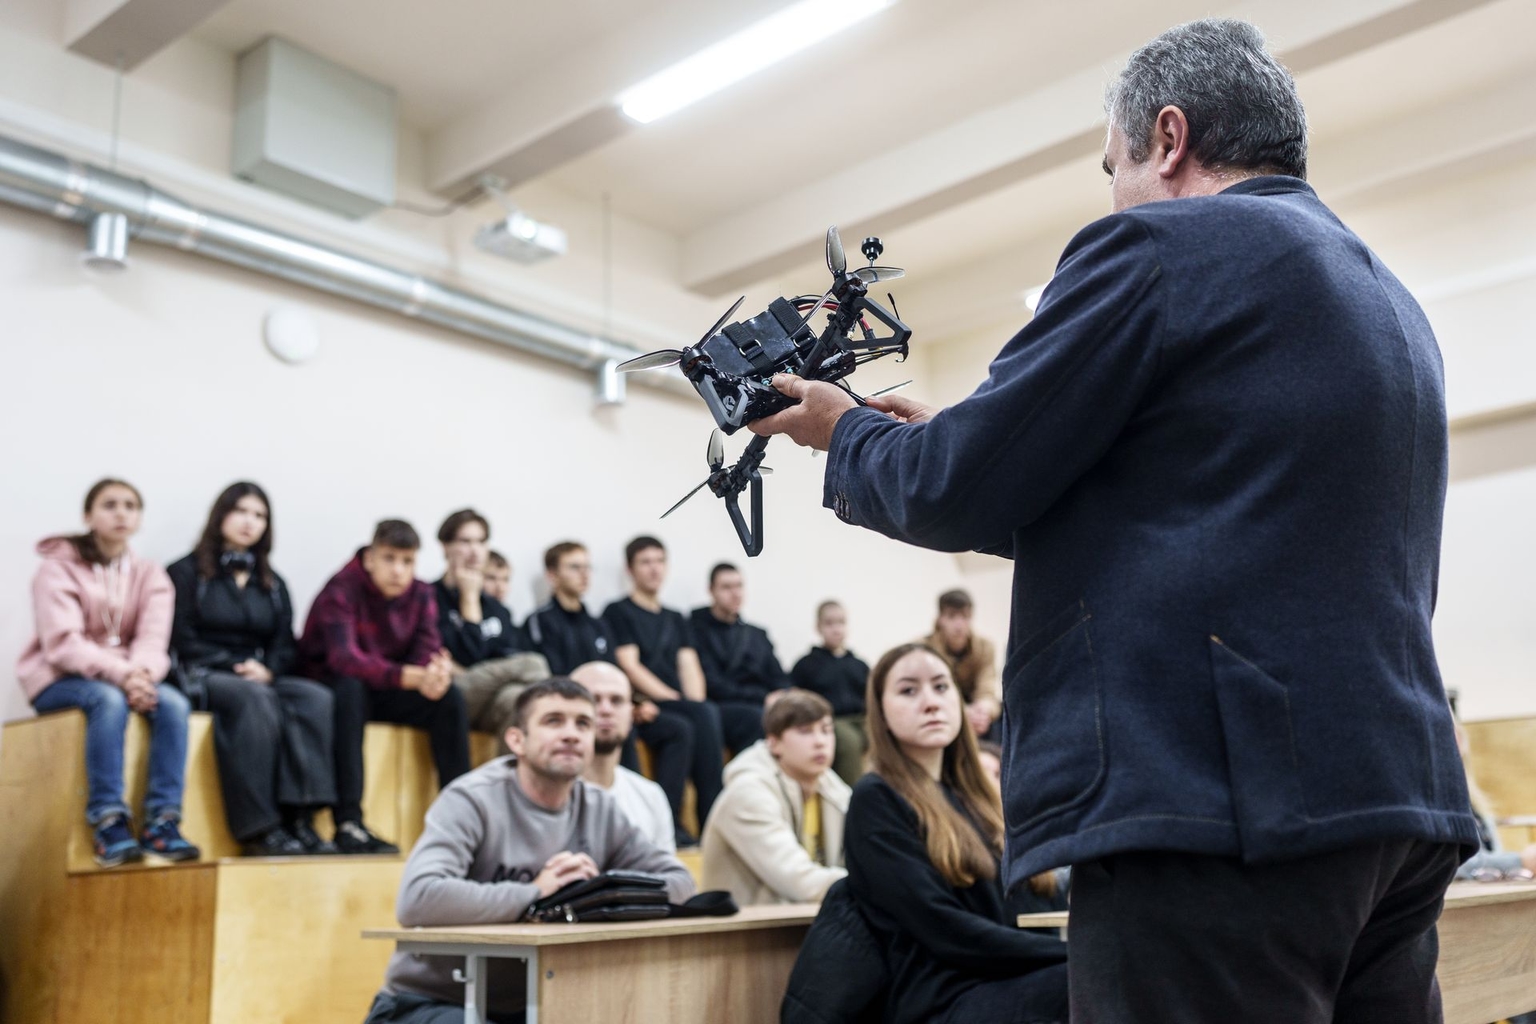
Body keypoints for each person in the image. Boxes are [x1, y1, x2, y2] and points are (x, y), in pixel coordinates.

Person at [751, 19, 1480, 1022]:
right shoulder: (1384, 297)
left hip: (1215, 802)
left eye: (1112, 167)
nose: (1112, 194)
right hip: (1395, 799)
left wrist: (847, 438)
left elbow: (956, 486)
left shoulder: (1161, 243)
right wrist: (971, 433)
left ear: (1167, 138)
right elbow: (1189, 508)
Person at [364, 677, 694, 1024]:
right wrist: (537, 893)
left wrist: (597, 895)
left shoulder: (600, 808)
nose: (571, 734)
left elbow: (680, 883)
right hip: (429, 1001)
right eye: (553, 721)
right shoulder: (472, 799)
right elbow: (418, 897)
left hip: (538, 1002)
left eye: (583, 723)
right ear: (516, 740)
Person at [842, 644, 1067, 1024]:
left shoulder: (977, 798)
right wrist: (1074, 957)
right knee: (1094, 983)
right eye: (908, 690)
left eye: (941, 687)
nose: (930, 703)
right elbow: (945, 930)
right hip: (943, 1000)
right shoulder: (876, 798)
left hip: (1007, 980)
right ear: (880, 713)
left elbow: (1035, 901)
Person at [17, 479, 199, 867]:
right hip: (58, 678)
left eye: (130, 506)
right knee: (108, 700)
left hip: (129, 676)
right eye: (110, 504)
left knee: (174, 703)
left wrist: (142, 675)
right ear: (88, 516)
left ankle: (162, 823)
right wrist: (124, 677)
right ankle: (108, 821)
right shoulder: (57, 569)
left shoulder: (150, 575)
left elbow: (154, 640)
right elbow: (63, 643)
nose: (121, 513)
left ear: (139, 518)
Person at [167, 482, 337, 856]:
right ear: (221, 515)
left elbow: (284, 643)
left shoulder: (273, 583)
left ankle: (301, 817)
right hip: (205, 671)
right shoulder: (185, 572)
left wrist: (269, 670)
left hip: (259, 674)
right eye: (242, 511)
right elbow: (179, 637)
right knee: (254, 699)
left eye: (260, 515)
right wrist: (234, 666)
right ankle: (259, 827)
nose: (250, 522)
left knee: (315, 698)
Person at [298, 519, 469, 855]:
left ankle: (462, 820)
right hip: (331, 688)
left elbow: (427, 647)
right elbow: (344, 660)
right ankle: (349, 821)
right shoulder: (341, 589)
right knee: (350, 688)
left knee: (450, 698)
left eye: (407, 562)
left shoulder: (421, 593)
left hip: (385, 686)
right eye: (389, 559)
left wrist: (433, 673)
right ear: (370, 558)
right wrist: (411, 676)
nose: (398, 571)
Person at [527, 540, 692, 817]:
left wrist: (636, 702)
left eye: (587, 567)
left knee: (678, 728)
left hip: (607, 705)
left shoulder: (598, 624)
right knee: (612, 725)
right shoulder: (539, 622)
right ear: (552, 575)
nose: (584, 574)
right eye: (574, 567)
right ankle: (619, 816)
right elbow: (549, 682)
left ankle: (664, 818)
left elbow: (615, 673)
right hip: (574, 713)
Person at [603, 536, 726, 844]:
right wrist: (675, 699)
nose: (654, 569)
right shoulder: (619, 612)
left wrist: (694, 702)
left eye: (659, 561)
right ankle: (672, 823)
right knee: (688, 722)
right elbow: (630, 666)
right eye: (645, 562)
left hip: (676, 703)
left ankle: (712, 821)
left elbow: (689, 665)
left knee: (704, 713)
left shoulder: (675, 618)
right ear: (630, 569)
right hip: (644, 701)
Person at [701, 689, 849, 906]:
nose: (820, 741)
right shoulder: (747, 794)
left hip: (805, 924)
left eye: (826, 731)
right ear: (774, 743)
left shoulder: (837, 792)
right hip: (744, 934)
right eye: (805, 731)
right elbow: (799, 882)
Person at [434, 509, 549, 748]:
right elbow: (459, 655)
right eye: (465, 541)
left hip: (489, 696)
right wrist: (469, 598)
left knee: (517, 699)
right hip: (448, 694)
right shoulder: (428, 597)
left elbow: (504, 655)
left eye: (481, 542)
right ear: (445, 547)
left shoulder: (497, 609)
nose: (475, 550)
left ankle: (510, 783)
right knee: (534, 664)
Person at [572, 660, 675, 853]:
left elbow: (669, 879)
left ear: (631, 712)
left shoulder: (651, 797)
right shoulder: (546, 794)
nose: (606, 709)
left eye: (617, 700)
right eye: (593, 699)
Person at [690, 563, 790, 754]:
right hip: (724, 706)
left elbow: (779, 676)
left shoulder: (757, 634)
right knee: (755, 718)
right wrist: (764, 697)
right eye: (727, 587)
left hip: (761, 705)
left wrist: (782, 694)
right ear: (711, 591)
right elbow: (713, 684)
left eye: (739, 586)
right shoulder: (697, 630)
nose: (735, 593)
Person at [790, 600, 870, 785]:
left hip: (863, 718)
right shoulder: (806, 665)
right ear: (818, 627)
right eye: (829, 623)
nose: (836, 629)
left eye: (841, 622)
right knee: (849, 742)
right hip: (831, 721)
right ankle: (853, 798)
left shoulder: (859, 665)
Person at [924, 591, 1000, 740]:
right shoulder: (923, 648)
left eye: (965, 617)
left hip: (975, 711)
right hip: (941, 709)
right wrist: (962, 711)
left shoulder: (985, 647)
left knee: (1000, 716)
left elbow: (987, 690)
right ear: (940, 619)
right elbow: (928, 694)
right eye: (951, 616)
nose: (959, 625)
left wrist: (983, 711)